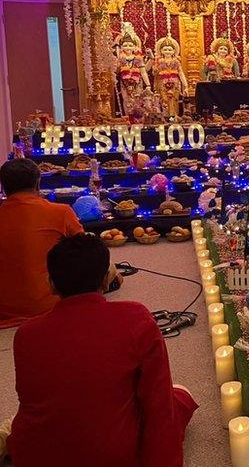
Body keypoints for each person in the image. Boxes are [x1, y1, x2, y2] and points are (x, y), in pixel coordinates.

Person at [5, 233, 198, 466]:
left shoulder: (26, 333)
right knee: (180, 394)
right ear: (107, 280)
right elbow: (158, 406)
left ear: (51, 284)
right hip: (112, 455)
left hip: (36, 456)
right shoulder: (135, 318)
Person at [0, 158, 84, 328]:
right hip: (52, 307)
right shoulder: (61, 212)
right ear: (38, 183)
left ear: (3, 187)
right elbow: (87, 255)